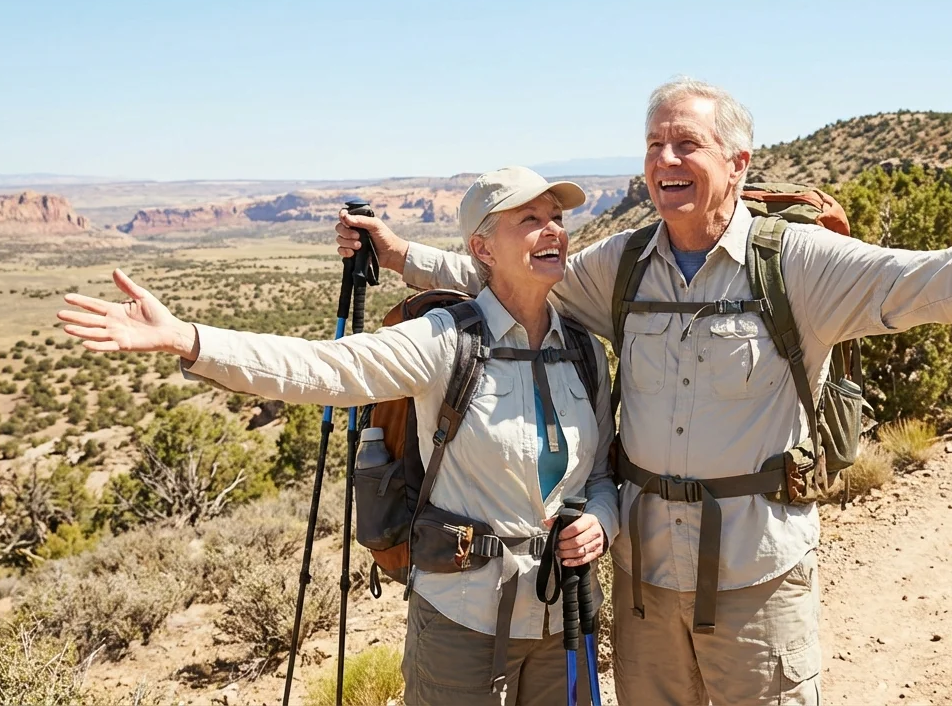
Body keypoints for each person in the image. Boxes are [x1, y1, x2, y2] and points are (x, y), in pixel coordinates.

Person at [336, 78, 952, 704]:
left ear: (737, 158)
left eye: (687, 142)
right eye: (653, 145)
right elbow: (506, 277)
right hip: (643, 581)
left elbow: (937, 280)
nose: (666, 159)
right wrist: (396, 252)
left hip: (758, 576)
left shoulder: (795, 264)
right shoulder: (623, 262)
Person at [58, 167, 620, 706]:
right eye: (529, 219)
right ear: (483, 249)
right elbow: (323, 368)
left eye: (557, 218)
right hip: (463, 618)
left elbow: (599, 477)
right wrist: (187, 339)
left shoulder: (585, 353)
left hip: (562, 615)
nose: (553, 230)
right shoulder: (445, 342)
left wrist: (600, 521)